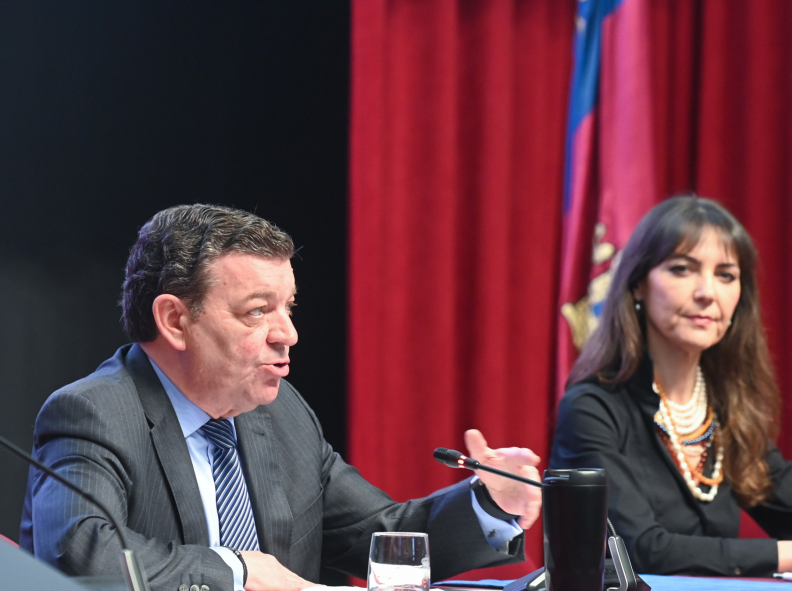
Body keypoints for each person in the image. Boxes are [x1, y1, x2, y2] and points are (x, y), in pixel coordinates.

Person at [21, 204, 541, 591]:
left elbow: (380, 538)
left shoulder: (280, 412)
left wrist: (489, 503)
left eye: (287, 307)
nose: (287, 334)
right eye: (256, 311)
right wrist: (237, 570)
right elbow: (82, 558)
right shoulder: (94, 414)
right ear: (175, 320)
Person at [550, 195, 792, 578]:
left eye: (726, 275)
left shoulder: (725, 409)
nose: (707, 293)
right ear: (638, 285)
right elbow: (639, 550)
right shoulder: (591, 409)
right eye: (682, 270)